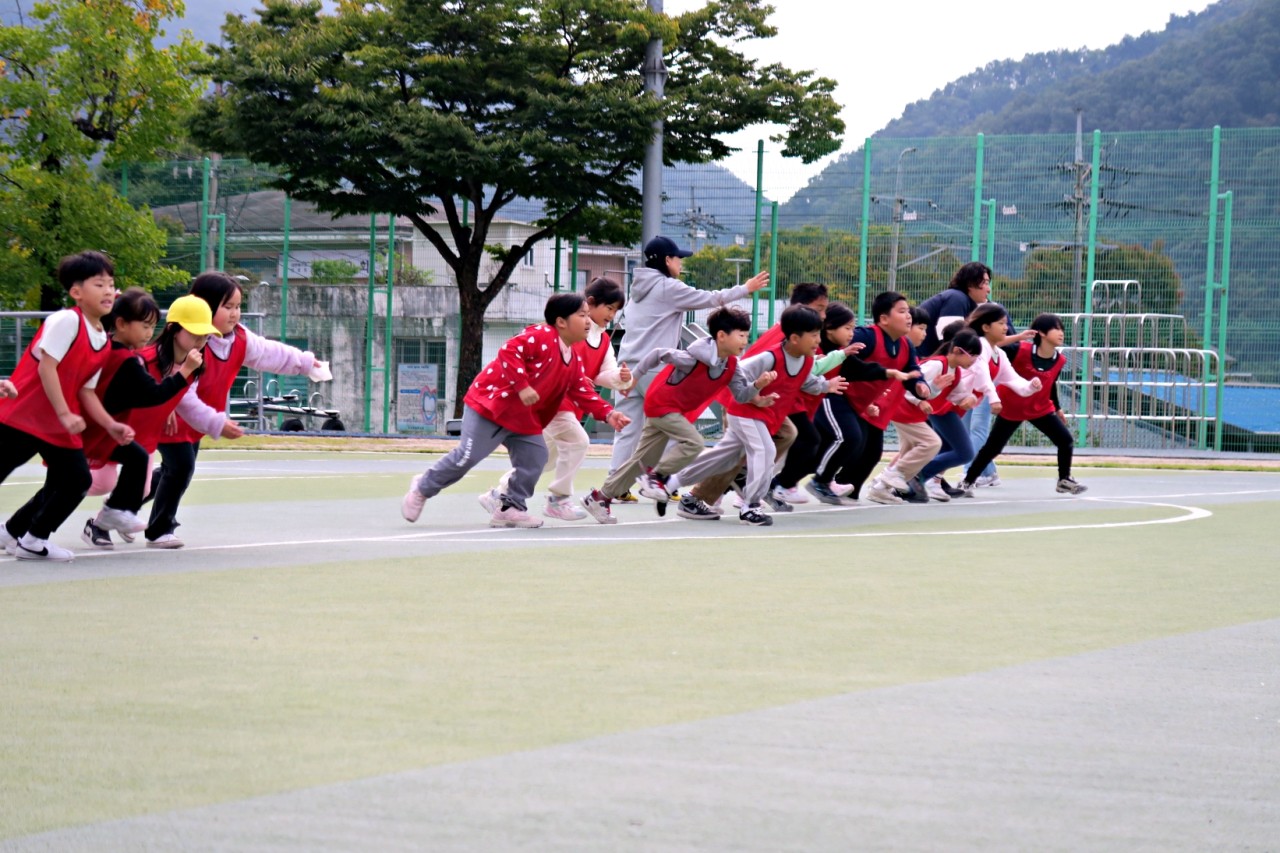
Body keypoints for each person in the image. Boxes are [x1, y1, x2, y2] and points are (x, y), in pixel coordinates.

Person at [402, 293, 630, 529]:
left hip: (523, 419)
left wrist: (609, 414)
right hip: (491, 408)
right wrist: (522, 386)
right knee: (467, 457)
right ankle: (422, 488)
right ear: (561, 321)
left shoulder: (571, 358)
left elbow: (582, 390)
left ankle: (509, 507)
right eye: (581, 315)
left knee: (536, 457)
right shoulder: (541, 335)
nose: (587, 321)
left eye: (587, 315)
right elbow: (509, 351)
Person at [146, 272, 332, 549]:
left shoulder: (240, 340)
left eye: (237, 306)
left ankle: (117, 509)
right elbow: (178, 391)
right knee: (181, 467)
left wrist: (305, 363)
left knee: (171, 472)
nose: (235, 314)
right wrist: (216, 422)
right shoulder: (192, 341)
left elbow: (272, 353)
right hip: (172, 417)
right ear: (205, 307)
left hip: (199, 422)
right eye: (227, 307)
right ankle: (159, 529)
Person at [607, 236, 769, 498]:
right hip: (655, 367)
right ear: (667, 260)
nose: (681, 263)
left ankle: (617, 485)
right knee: (674, 425)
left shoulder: (638, 287)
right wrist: (745, 288)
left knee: (628, 430)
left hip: (627, 366)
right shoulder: (667, 287)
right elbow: (709, 299)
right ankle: (659, 480)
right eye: (678, 258)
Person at [662, 305, 847, 526]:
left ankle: (671, 482)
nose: (818, 340)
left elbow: (807, 382)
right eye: (814, 335)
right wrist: (754, 395)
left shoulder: (807, 360)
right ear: (795, 338)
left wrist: (826, 385)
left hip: (765, 417)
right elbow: (737, 372)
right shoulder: (769, 358)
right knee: (766, 451)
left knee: (723, 456)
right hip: (745, 413)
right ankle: (751, 506)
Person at [582, 307, 767, 523]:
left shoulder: (732, 366)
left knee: (640, 460)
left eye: (747, 335)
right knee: (694, 442)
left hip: (672, 410)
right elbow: (658, 353)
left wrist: (757, 385)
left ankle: (599, 497)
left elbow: (742, 395)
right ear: (722, 336)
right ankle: (657, 477)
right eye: (741, 335)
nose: (746, 340)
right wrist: (634, 377)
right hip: (661, 405)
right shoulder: (693, 357)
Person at [0, 251, 120, 561]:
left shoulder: (104, 341)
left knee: (77, 480)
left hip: (57, 424)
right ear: (76, 292)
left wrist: (109, 424)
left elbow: (87, 392)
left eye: (111, 284)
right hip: (23, 416)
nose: (108, 290)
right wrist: (65, 412)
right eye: (99, 284)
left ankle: (32, 539)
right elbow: (46, 368)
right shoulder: (66, 320)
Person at [79, 291, 212, 549]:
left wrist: (170, 406)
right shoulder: (146, 356)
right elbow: (150, 390)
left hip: (141, 433)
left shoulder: (191, 362)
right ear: (173, 329)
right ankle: (36, 521)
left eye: (205, 336)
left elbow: (164, 391)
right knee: (87, 482)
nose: (201, 340)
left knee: (140, 486)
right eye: (195, 333)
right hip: (115, 428)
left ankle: (108, 519)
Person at [496, 277, 633, 520]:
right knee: (576, 442)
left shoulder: (602, 340)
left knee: (544, 458)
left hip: (571, 405)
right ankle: (557, 499)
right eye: (609, 308)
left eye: (616, 310)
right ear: (590, 303)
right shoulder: (567, 331)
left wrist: (621, 378)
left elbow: (604, 373)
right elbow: (550, 358)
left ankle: (500, 493)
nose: (612, 315)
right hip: (556, 403)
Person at [959, 313, 1087, 496]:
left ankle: (1064, 479)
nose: (1061, 333)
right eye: (1056, 328)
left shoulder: (1060, 360)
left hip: (1040, 408)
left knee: (1065, 440)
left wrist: (1057, 408)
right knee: (992, 448)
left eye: (1062, 329)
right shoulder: (1019, 350)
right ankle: (967, 482)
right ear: (1041, 333)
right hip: (1012, 407)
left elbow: (1051, 387)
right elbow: (995, 348)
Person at [822, 291, 929, 503]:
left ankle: (847, 490)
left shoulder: (905, 345)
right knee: (853, 441)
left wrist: (920, 385)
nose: (908, 316)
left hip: (864, 405)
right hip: (841, 397)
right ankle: (821, 481)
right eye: (902, 311)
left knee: (871, 453)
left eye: (908, 311)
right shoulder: (866, 336)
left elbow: (913, 372)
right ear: (884, 319)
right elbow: (843, 359)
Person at [862, 307, 944, 505]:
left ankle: (880, 488)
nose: (924, 334)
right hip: (902, 412)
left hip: (896, 410)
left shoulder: (909, 355)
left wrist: (931, 389)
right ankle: (889, 477)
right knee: (932, 443)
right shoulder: (896, 352)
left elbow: (916, 388)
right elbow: (884, 383)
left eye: (926, 329)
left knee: (907, 451)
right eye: (920, 328)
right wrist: (874, 404)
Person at [909, 328, 985, 502]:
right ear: (958, 351)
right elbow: (910, 383)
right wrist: (919, 401)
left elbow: (958, 394)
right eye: (972, 356)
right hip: (917, 411)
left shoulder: (954, 370)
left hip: (933, 410)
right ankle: (913, 476)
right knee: (964, 452)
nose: (974, 361)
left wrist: (969, 398)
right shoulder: (936, 365)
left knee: (945, 448)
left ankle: (912, 481)